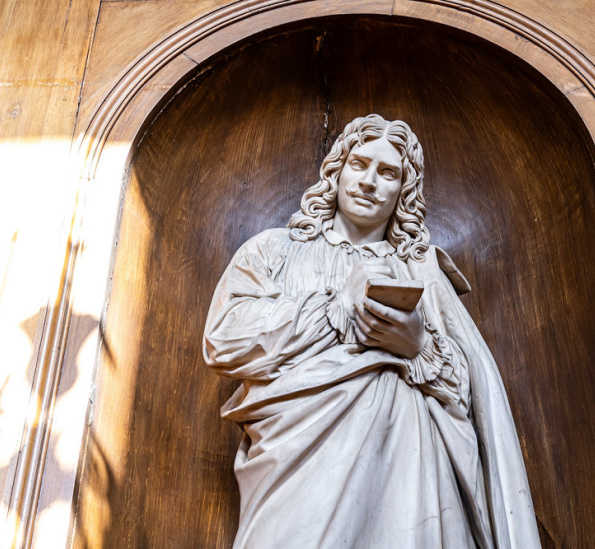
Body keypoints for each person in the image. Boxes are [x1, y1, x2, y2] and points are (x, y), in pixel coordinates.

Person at [203, 114, 541, 548]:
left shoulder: (420, 271)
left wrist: (419, 347)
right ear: (337, 170)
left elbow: (469, 394)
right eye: (359, 164)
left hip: (410, 476)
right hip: (298, 465)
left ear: (403, 191)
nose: (368, 182)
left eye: (387, 173)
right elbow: (226, 342)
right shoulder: (275, 251)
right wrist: (334, 308)